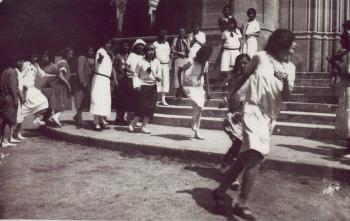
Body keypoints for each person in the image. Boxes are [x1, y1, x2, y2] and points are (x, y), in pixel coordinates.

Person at [212, 29, 297, 221]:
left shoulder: (290, 68)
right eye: (293, 41)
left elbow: (286, 96)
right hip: (252, 110)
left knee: (244, 158)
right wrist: (228, 96)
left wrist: (284, 82)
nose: (295, 45)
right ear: (282, 42)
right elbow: (243, 77)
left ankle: (219, 191)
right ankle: (241, 204)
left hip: (269, 117)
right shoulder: (260, 57)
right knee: (258, 154)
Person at [218, 54, 251, 189]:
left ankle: (226, 161)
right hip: (234, 115)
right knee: (239, 143)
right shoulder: (234, 79)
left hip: (247, 114)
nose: (243, 66)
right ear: (237, 65)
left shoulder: (253, 79)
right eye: (241, 63)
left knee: (241, 145)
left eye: (246, 63)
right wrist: (225, 102)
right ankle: (233, 176)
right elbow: (231, 95)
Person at [13, 51, 55, 139]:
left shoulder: (35, 65)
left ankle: (36, 119)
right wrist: (22, 91)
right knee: (22, 112)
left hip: (32, 89)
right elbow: (20, 76)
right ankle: (17, 132)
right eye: (33, 55)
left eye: (36, 55)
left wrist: (54, 75)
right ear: (30, 55)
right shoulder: (26, 64)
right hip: (26, 89)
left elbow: (42, 74)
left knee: (43, 102)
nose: (35, 56)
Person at [177, 45, 213, 140]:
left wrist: (208, 90)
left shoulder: (205, 63)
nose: (204, 59)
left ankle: (197, 131)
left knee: (200, 108)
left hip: (199, 88)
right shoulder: (190, 61)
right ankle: (193, 121)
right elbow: (179, 70)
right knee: (197, 104)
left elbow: (206, 76)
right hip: (189, 87)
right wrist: (180, 86)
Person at [128, 43, 162, 134]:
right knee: (142, 107)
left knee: (150, 108)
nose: (151, 52)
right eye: (149, 50)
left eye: (152, 50)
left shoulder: (157, 62)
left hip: (153, 87)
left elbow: (159, 74)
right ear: (145, 51)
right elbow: (135, 74)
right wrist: (137, 85)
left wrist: (158, 77)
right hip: (143, 86)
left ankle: (144, 126)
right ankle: (133, 123)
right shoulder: (140, 61)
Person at [334, 21, 350, 158]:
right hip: (346, 89)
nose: (340, 40)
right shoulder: (347, 54)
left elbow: (348, 75)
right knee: (347, 120)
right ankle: (348, 148)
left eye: (343, 38)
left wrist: (336, 65)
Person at [90, 39, 113, 131]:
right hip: (99, 79)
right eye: (107, 42)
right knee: (98, 99)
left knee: (104, 100)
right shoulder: (100, 51)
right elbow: (98, 61)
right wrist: (100, 58)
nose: (109, 44)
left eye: (110, 43)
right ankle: (96, 122)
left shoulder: (108, 53)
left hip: (105, 79)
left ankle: (101, 121)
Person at [0, 57, 24, 147]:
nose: (22, 63)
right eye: (20, 61)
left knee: (4, 119)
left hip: (2, 97)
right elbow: (13, 87)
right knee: (9, 120)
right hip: (9, 98)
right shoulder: (13, 72)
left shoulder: (4, 72)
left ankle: (2, 139)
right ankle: (5, 141)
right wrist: (16, 99)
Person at [47, 47, 74, 127]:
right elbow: (61, 75)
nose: (71, 56)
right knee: (64, 103)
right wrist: (68, 83)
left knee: (58, 104)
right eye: (70, 54)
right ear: (66, 54)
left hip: (57, 86)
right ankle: (55, 117)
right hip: (61, 86)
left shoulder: (59, 62)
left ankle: (56, 119)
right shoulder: (64, 63)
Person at [125, 39, 146, 122]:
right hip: (131, 79)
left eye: (142, 45)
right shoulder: (132, 55)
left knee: (139, 100)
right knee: (131, 99)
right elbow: (126, 67)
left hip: (140, 81)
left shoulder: (144, 57)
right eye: (138, 45)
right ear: (136, 47)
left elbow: (147, 69)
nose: (140, 47)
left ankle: (136, 120)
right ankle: (129, 119)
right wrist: (132, 72)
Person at [73, 46, 95, 128]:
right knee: (80, 100)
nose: (91, 52)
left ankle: (77, 116)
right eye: (90, 50)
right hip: (81, 84)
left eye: (92, 51)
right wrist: (83, 82)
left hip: (86, 83)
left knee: (85, 100)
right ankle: (79, 119)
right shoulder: (81, 58)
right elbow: (80, 71)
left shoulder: (85, 59)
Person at [113, 41, 131, 125]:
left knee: (125, 101)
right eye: (124, 46)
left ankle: (122, 118)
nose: (126, 47)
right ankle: (118, 118)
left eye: (127, 46)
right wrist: (115, 80)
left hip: (127, 81)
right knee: (119, 100)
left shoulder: (129, 56)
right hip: (120, 80)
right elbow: (114, 68)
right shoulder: (118, 56)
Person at [153, 29, 171, 105]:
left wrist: (169, 64)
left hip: (166, 64)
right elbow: (153, 55)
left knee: (165, 81)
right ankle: (157, 99)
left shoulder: (167, 44)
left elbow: (168, 55)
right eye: (164, 35)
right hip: (158, 64)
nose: (166, 37)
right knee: (158, 81)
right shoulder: (155, 44)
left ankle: (163, 99)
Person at [41, 50, 60, 122]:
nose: (43, 58)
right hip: (43, 89)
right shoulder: (42, 66)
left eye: (45, 57)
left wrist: (51, 83)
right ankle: (45, 121)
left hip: (50, 90)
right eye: (42, 57)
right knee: (43, 107)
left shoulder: (54, 67)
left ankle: (46, 122)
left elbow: (58, 77)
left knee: (48, 107)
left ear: (49, 57)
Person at [172, 27, 191, 98]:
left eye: (183, 32)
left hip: (185, 59)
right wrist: (179, 53)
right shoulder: (175, 39)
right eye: (181, 32)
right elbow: (173, 50)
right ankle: (178, 92)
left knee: (184, 75)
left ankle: (184, 92)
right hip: (178, 58)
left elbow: (189, 50)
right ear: (179, 33)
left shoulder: (187, 40)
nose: (182, 33)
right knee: (177, 75)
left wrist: (186, 43)